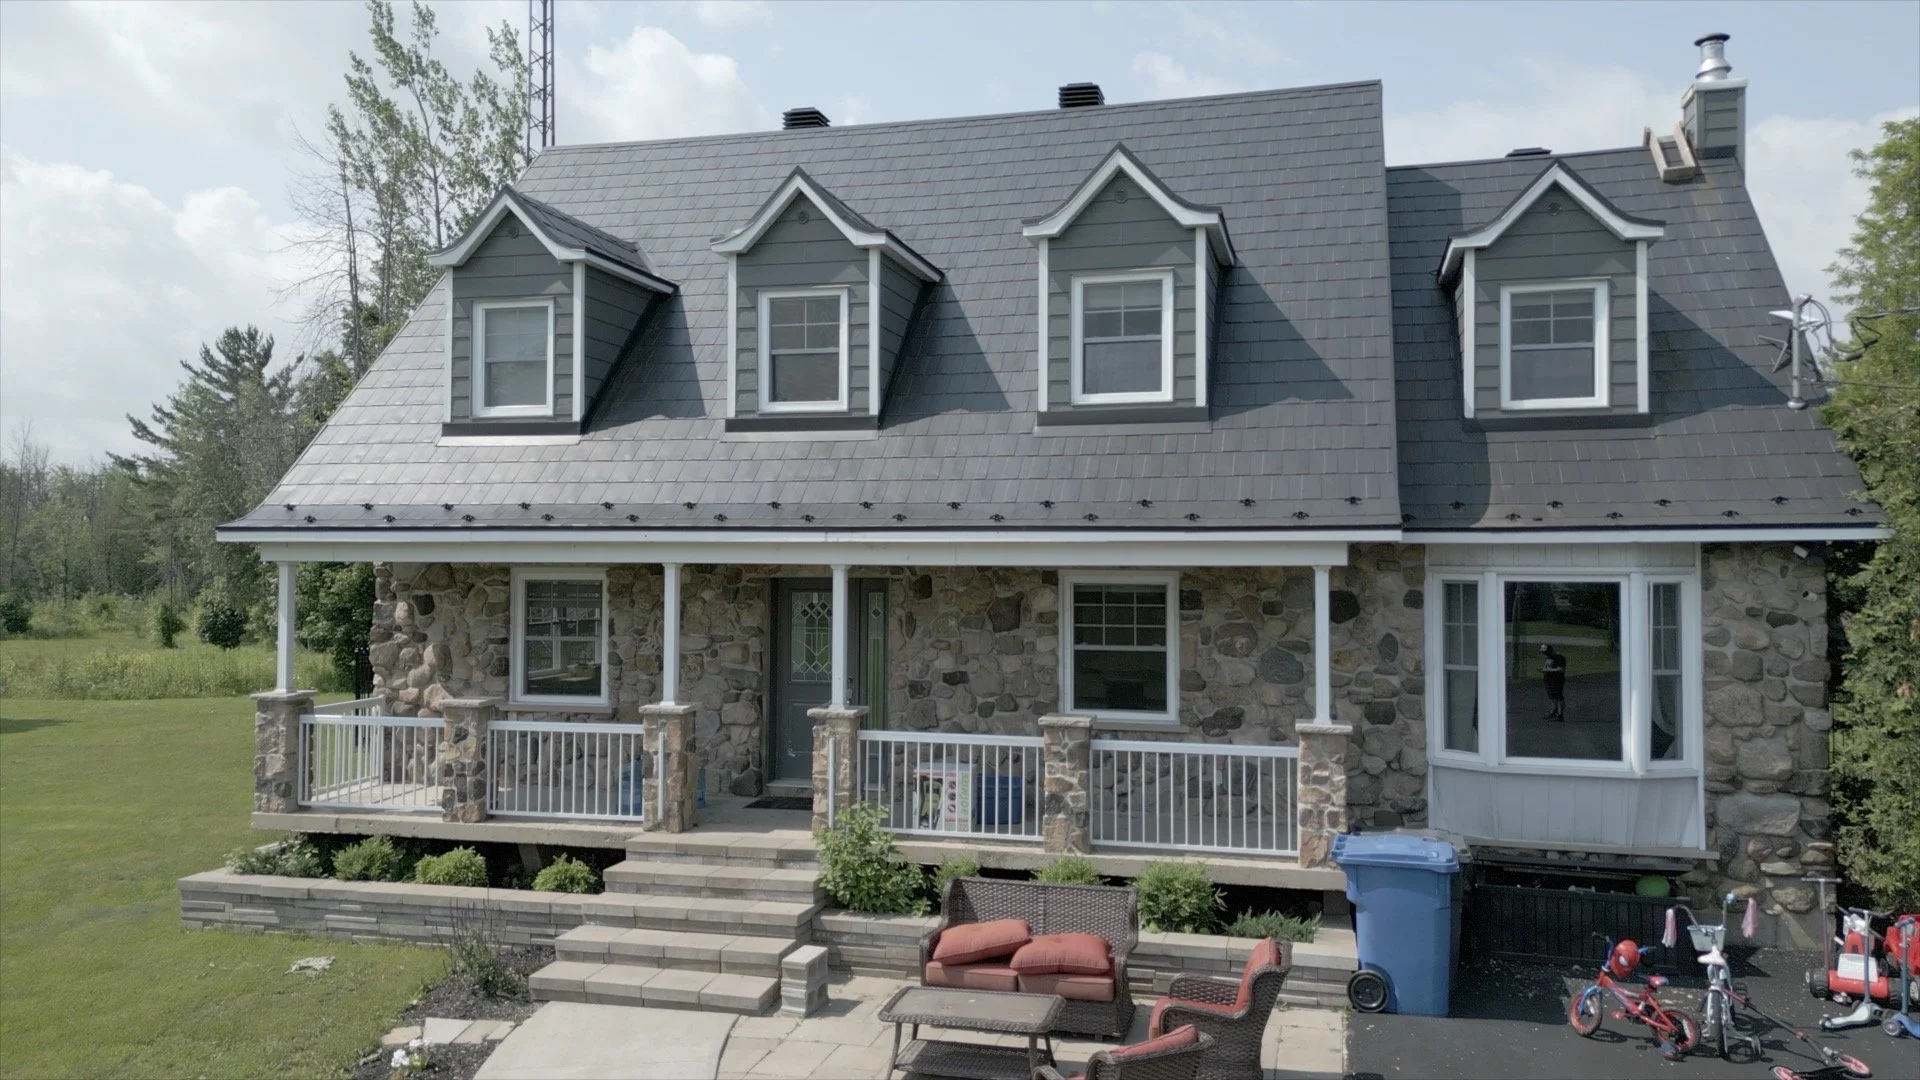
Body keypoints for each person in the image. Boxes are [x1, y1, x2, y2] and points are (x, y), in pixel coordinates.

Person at [1540, 644, 1568, 721]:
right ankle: (1553, 712)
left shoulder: (1558, 658)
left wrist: (1546, 670)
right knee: (1552, 697)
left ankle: (1560, 714)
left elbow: (1560, 669)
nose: (1545, 654)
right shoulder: (1549, 658)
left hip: (1556, 679)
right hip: (1548, 680)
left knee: (1558, 696)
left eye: (1545, 652)